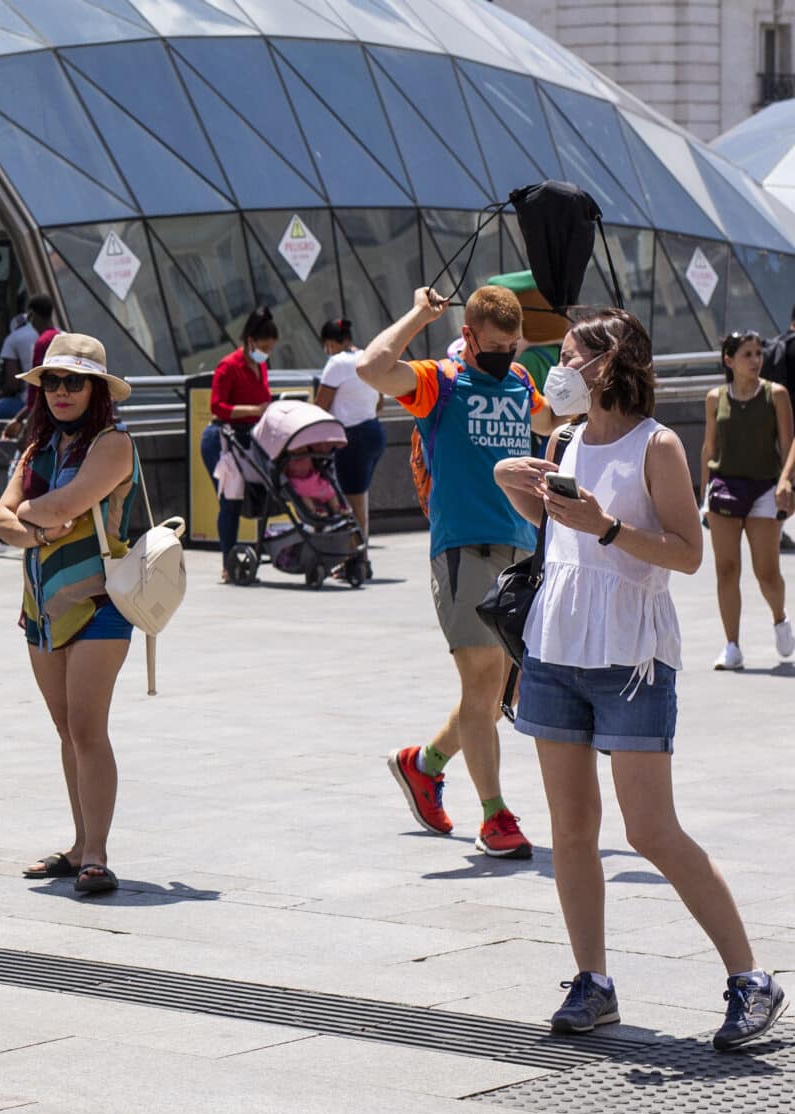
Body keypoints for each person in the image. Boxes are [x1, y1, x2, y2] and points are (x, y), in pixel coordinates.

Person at [494, 308, 785, 1051]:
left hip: (632, 656)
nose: (557, 367)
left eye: (569, 355)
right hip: (557, 648)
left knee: (651, 829)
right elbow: (555, 533)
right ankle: (592, 981)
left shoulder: (655, 445)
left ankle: (751, 978)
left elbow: (688, 554)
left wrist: (607, 527)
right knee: (570, 830)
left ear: (609, 363)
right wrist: (517, 482)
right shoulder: (562, 439)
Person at [358, 284, 557, 860]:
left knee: (495, 694)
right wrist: (420, 312)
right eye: (495, 345)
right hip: (463, 549)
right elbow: (372, 367)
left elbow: (552, 420)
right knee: (481, 685)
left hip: (521, 548)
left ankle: (423, 765)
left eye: (513, 345)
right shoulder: (439, 383)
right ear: (468, 337)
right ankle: (495, 816)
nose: (506, 354)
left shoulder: (519, 382)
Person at [0, 334, 135, 898]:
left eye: (74, 381)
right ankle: (78, 846)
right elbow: (0, 520)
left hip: (100, 604)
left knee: (86, 727)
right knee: (64, 729)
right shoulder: (38, 447)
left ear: (96, 389)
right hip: (40, 606)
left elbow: (60, 505)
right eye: (52, 381)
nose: (61, 391)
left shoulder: (113, 443)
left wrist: (34, 514)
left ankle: (96, 854)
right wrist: (42, 521)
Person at [700, 330, 795, 671]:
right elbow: (709, 448)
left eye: (758, 354)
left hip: (764, 489)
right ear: (729, 360)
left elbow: (789, 444)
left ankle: (780, 618)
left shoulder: (776, 395)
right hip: (724, 487)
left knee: (766, 572)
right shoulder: (715, 398)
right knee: (726, 569)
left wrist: (787, 484)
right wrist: (703, 495)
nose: (756, 360)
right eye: (748, 354)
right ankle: (732, 645)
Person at [203, 307, 278, 579]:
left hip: (248, 436)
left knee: (260, 492)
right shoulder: (229, 366)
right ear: (250, 341)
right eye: (264, 346)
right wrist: (253, 410)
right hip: (221, 438)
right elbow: (217, 406)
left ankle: (252, 553)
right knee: (231, 498)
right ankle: (228, 563)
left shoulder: (260, 365)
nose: (267, 352)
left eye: (271, 348)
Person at [312, 317, 385, 556]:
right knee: (360, 498)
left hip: (351, 437)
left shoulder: (337, 363)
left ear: (331, 343)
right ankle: (356, 554)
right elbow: (380, 403)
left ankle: (357, 558)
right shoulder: (368, 357)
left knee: (352, 504)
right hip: (375, 432)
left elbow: (320, 405)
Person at [0, 293, 56, 422]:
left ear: (32, 315)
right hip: (54, 403)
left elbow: (14, 385)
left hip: (32, 404)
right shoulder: (62, 336)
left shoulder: (26, 340)